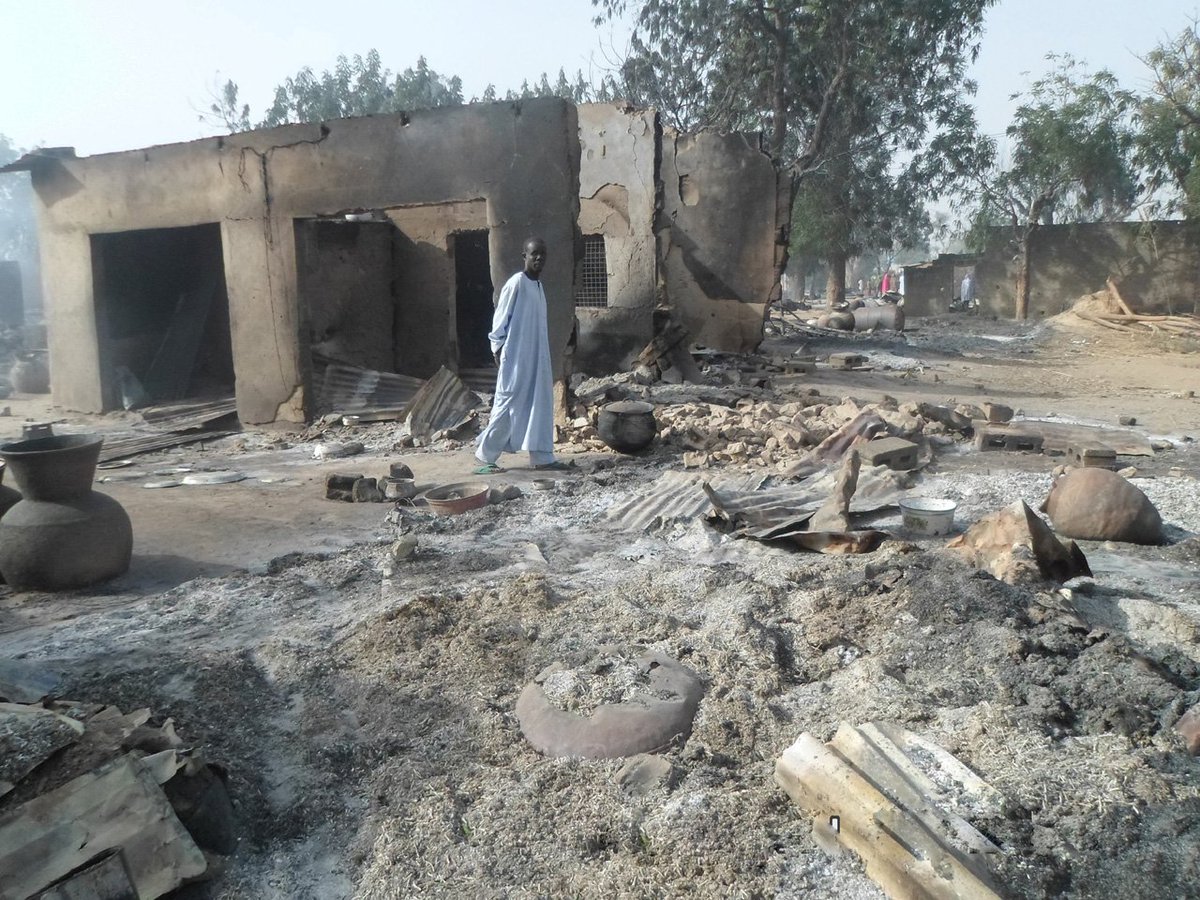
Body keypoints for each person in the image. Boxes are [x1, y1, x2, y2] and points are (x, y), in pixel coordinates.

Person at [474, 236, 569, 474]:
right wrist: (497, 347)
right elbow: (501, 317)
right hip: (516, 357)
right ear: (524, 256)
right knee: (508, 405)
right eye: (534, 253)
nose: (539, 258)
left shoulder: (538, 286)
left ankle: (542, 457)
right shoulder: (516, 283)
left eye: (542, 254)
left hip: (537, 358)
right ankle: (485, 456)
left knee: (540, 403)